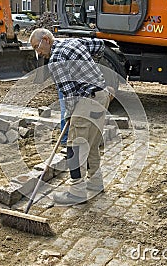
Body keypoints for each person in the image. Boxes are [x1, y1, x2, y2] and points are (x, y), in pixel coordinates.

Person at [29, 28, 111, 205]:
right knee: (92, 144)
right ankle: (95, 183)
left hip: (85, 101)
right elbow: (100, 45)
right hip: (102, 96)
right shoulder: (74, 42)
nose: (38, 53)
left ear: (46, 39)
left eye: (37, 47)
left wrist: (68, 116)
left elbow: (69, 95)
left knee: (75, 147)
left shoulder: (56, 59)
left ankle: (77, 192)